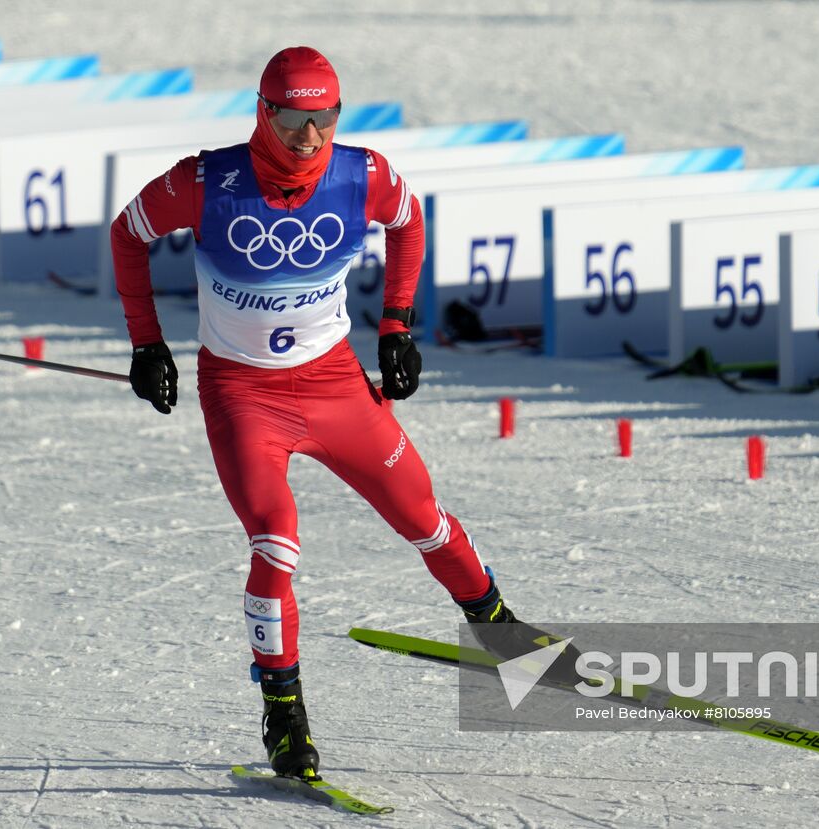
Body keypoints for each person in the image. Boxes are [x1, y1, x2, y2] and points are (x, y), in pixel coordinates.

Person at [110, 46, 547, 780]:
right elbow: (128, 235)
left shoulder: (362, 173)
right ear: (263, 113)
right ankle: (284, 714)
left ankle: (502, 634)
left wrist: (399, 323)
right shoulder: (204, 181)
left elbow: (410, 222)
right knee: (275, 541)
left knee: (425, 516)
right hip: (244, 395)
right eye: (293, 122)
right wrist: (146, 343)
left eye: (324, 120)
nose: (309, 139)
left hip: (335, 384)